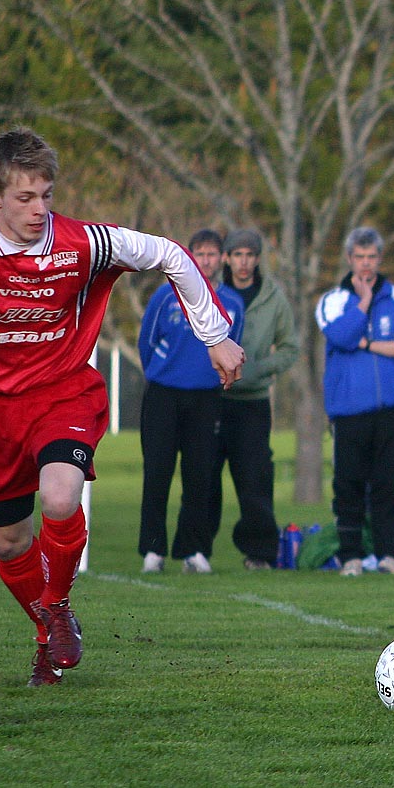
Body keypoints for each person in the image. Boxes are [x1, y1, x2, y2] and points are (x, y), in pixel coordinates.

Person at [0, 127, 244, 686]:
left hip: (61, 392)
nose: (40, 209)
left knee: (61, 495)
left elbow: (169, 254)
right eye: (25, 197)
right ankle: (46, 634)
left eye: (46, 195)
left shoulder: (83, 242)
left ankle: (59, 603)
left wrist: (214, 335)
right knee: (8, 541)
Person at [316, 226, 394, 577]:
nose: (366, 264)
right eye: (359, 258)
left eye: (371, 257)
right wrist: (362, 302)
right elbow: (343, 336)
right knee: (347, 486)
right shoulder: (333, 301)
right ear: (349, 260)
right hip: (349, 412)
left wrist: (367, 344)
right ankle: (350, 556)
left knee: (387, 486)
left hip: (392, 411)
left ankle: (388, 554)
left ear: (380, 259)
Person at [136, 230, 244, 574]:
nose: (206, 261)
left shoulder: (233, 303)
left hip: (206, 398)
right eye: (200, 254)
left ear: (222, 259)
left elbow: (232, 348)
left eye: (213, 254)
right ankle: (153, 550)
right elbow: (146, 342)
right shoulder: (164, 297)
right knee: (157, 472)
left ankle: (193, 550)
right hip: (163, 396)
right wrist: (162, 371)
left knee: (200, 475)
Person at [213, 228, 300, 570]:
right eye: (237, 255)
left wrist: (258, 369)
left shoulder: (273, 297)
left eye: (250, 255)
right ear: (227, 258)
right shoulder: (210, 293)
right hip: (215, 400)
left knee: (255, 478)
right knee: (205, 477)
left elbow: (291, 347)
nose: (243, 262)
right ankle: (197, 552)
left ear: (258, 259)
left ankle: (260, 553)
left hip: (253, 403)